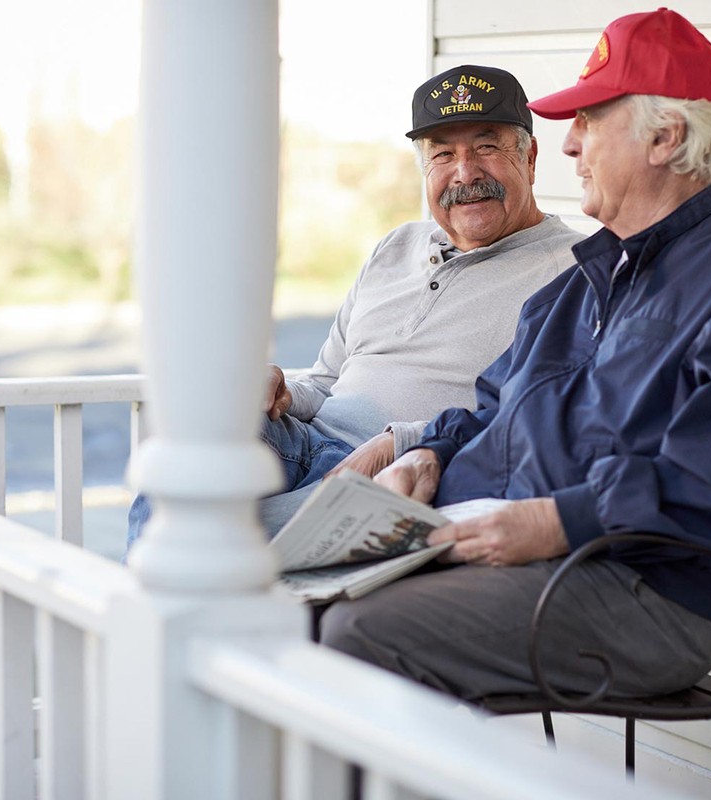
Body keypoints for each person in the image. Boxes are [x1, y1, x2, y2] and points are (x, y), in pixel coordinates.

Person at [319, 8, 711, 701]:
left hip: (640, 589)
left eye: (590, 121)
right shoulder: (596, 273)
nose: (570, 146)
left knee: (354, 633)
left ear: (665, 136)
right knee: (291, 599)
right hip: (521, 543)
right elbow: (497, 406)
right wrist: (431, 455)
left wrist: (551, 522)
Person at [125, 64, 584, 553]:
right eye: (442, 154)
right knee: (191, 450)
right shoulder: (396, 246)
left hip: (406, 472)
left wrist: (402, 441)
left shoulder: (574, 270)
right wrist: (283, 391)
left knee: (197, 538)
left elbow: (530, 419)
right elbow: (326, 382)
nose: (465, 172)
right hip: (303, 444)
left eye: (486, 147)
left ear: (529, 157)